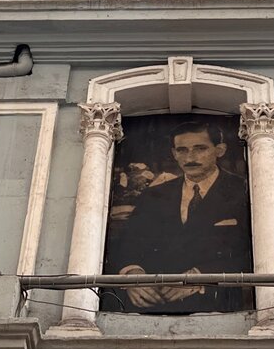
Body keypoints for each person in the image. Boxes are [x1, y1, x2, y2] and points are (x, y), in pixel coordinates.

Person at [105, 120, 253, 314]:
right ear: (174, 154)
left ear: (220, 150)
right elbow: (127, 242)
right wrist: (133, 275)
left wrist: (199, 278)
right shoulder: (154, 194)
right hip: (152, 306)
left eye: (200, 148)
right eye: (182, 150)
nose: (190, 157)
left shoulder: (243, 190)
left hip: (216, 306)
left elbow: (252, 251)